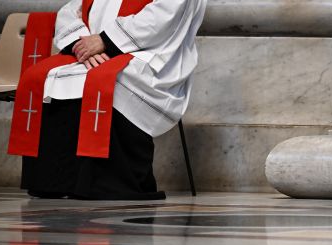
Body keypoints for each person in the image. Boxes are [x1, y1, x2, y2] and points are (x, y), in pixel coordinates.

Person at [17, 0, 207, 200]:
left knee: (106, 79)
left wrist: (105, 41)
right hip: (97, 48)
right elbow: (71, 9)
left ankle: (107, 184)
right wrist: (80, 43)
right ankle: (54, 182)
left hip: (148, 52)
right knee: (38, 77)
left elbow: (164, 15)